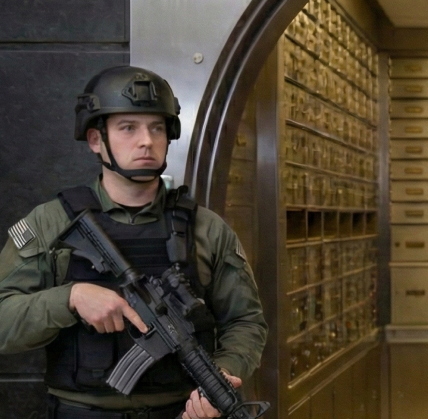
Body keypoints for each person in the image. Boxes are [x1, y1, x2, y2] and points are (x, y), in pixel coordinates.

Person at [0, 66, 268, 419]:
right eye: (128, 128)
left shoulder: (206, 229)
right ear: (96, 140)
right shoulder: (51, 222)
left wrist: (222, 375)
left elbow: (246, 322)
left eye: (157, 128)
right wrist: (70, 298)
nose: (146, 141)